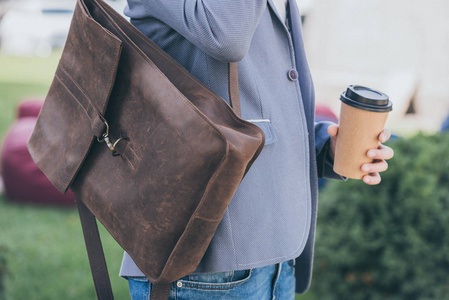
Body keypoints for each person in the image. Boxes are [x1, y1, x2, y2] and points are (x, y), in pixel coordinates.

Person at [119, 0, 394, 299]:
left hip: (278, 258)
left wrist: (324, 145)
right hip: (205, 266)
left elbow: (259, 90)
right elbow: (228, 36)